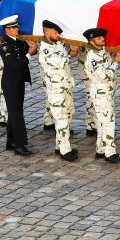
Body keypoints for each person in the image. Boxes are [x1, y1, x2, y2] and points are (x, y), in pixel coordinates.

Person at [37, 20, 79, 162]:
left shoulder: (58, 44)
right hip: (56, 90)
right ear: (47, 32)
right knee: (61, 119)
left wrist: (73, 51)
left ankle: (59, 145)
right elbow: (61, 62)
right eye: (55, 33)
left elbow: (69, 55)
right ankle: (65, 150)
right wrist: (70, 53)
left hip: (66, 86)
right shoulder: (45, 50)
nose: (58, 35)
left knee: (68, 114)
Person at [82, 28, 120, 163]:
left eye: (102, 37)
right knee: (108, 122)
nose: (103, 39)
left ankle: (100, 149)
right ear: (91, 41)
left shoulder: (103, 51)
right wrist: (116, 62)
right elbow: (104, 76)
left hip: (107, 92)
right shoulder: (92, 58)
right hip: (101, 94)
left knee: (102, 122)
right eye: (99, 38)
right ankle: (110, 153)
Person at [0, 15, 34, 156]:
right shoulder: (5, 45)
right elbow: (14, 65)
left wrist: (32, 48)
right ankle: (20, 145)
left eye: (16, 26)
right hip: (11, 84)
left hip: (18, 82)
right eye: (13, 27)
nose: (17, 29)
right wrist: (29, 54)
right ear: (7, 30)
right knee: (17, 115)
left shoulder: (17, 41)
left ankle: (11, 141)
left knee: (14, 113)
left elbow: (28, 51)